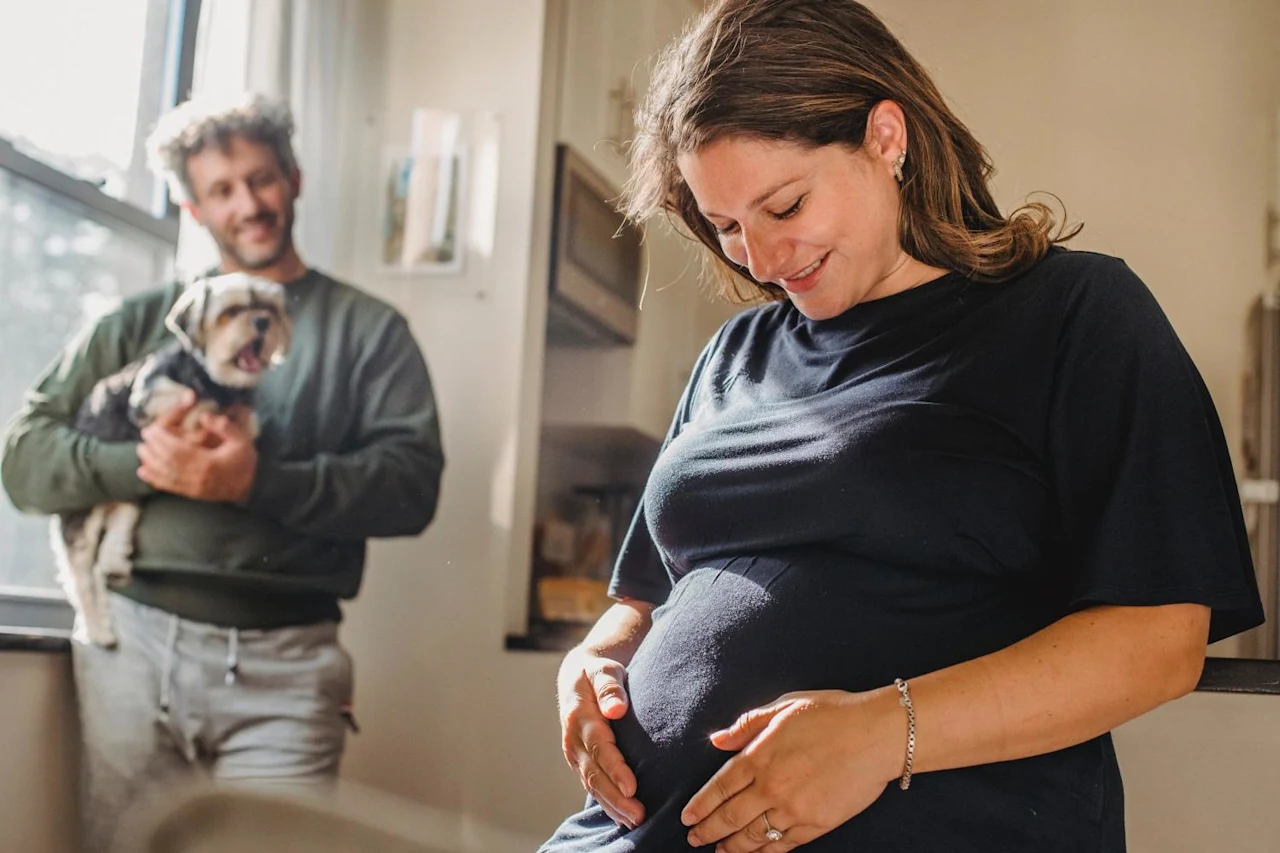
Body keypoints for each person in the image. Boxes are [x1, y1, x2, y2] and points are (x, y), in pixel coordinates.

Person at [540, 1, 1264, 851]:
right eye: (727, 227)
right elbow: (643, 598)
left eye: (785, 206)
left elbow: (1159, 639)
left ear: (887, 136)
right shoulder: (734, 354)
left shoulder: (1074, 315)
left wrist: (883, 733)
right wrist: (590, 665)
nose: (762, 262)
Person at [0, 94, 444, 853]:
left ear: (294, 178)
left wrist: (252, 481)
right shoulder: (139, 322)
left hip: (290, 668)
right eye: (222, 189)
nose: (250, 204)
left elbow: (411, 486)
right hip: (127, 653)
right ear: (191, 205)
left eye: (262, 179)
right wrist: (146, 464)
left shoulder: (370, 332)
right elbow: (23, 462)